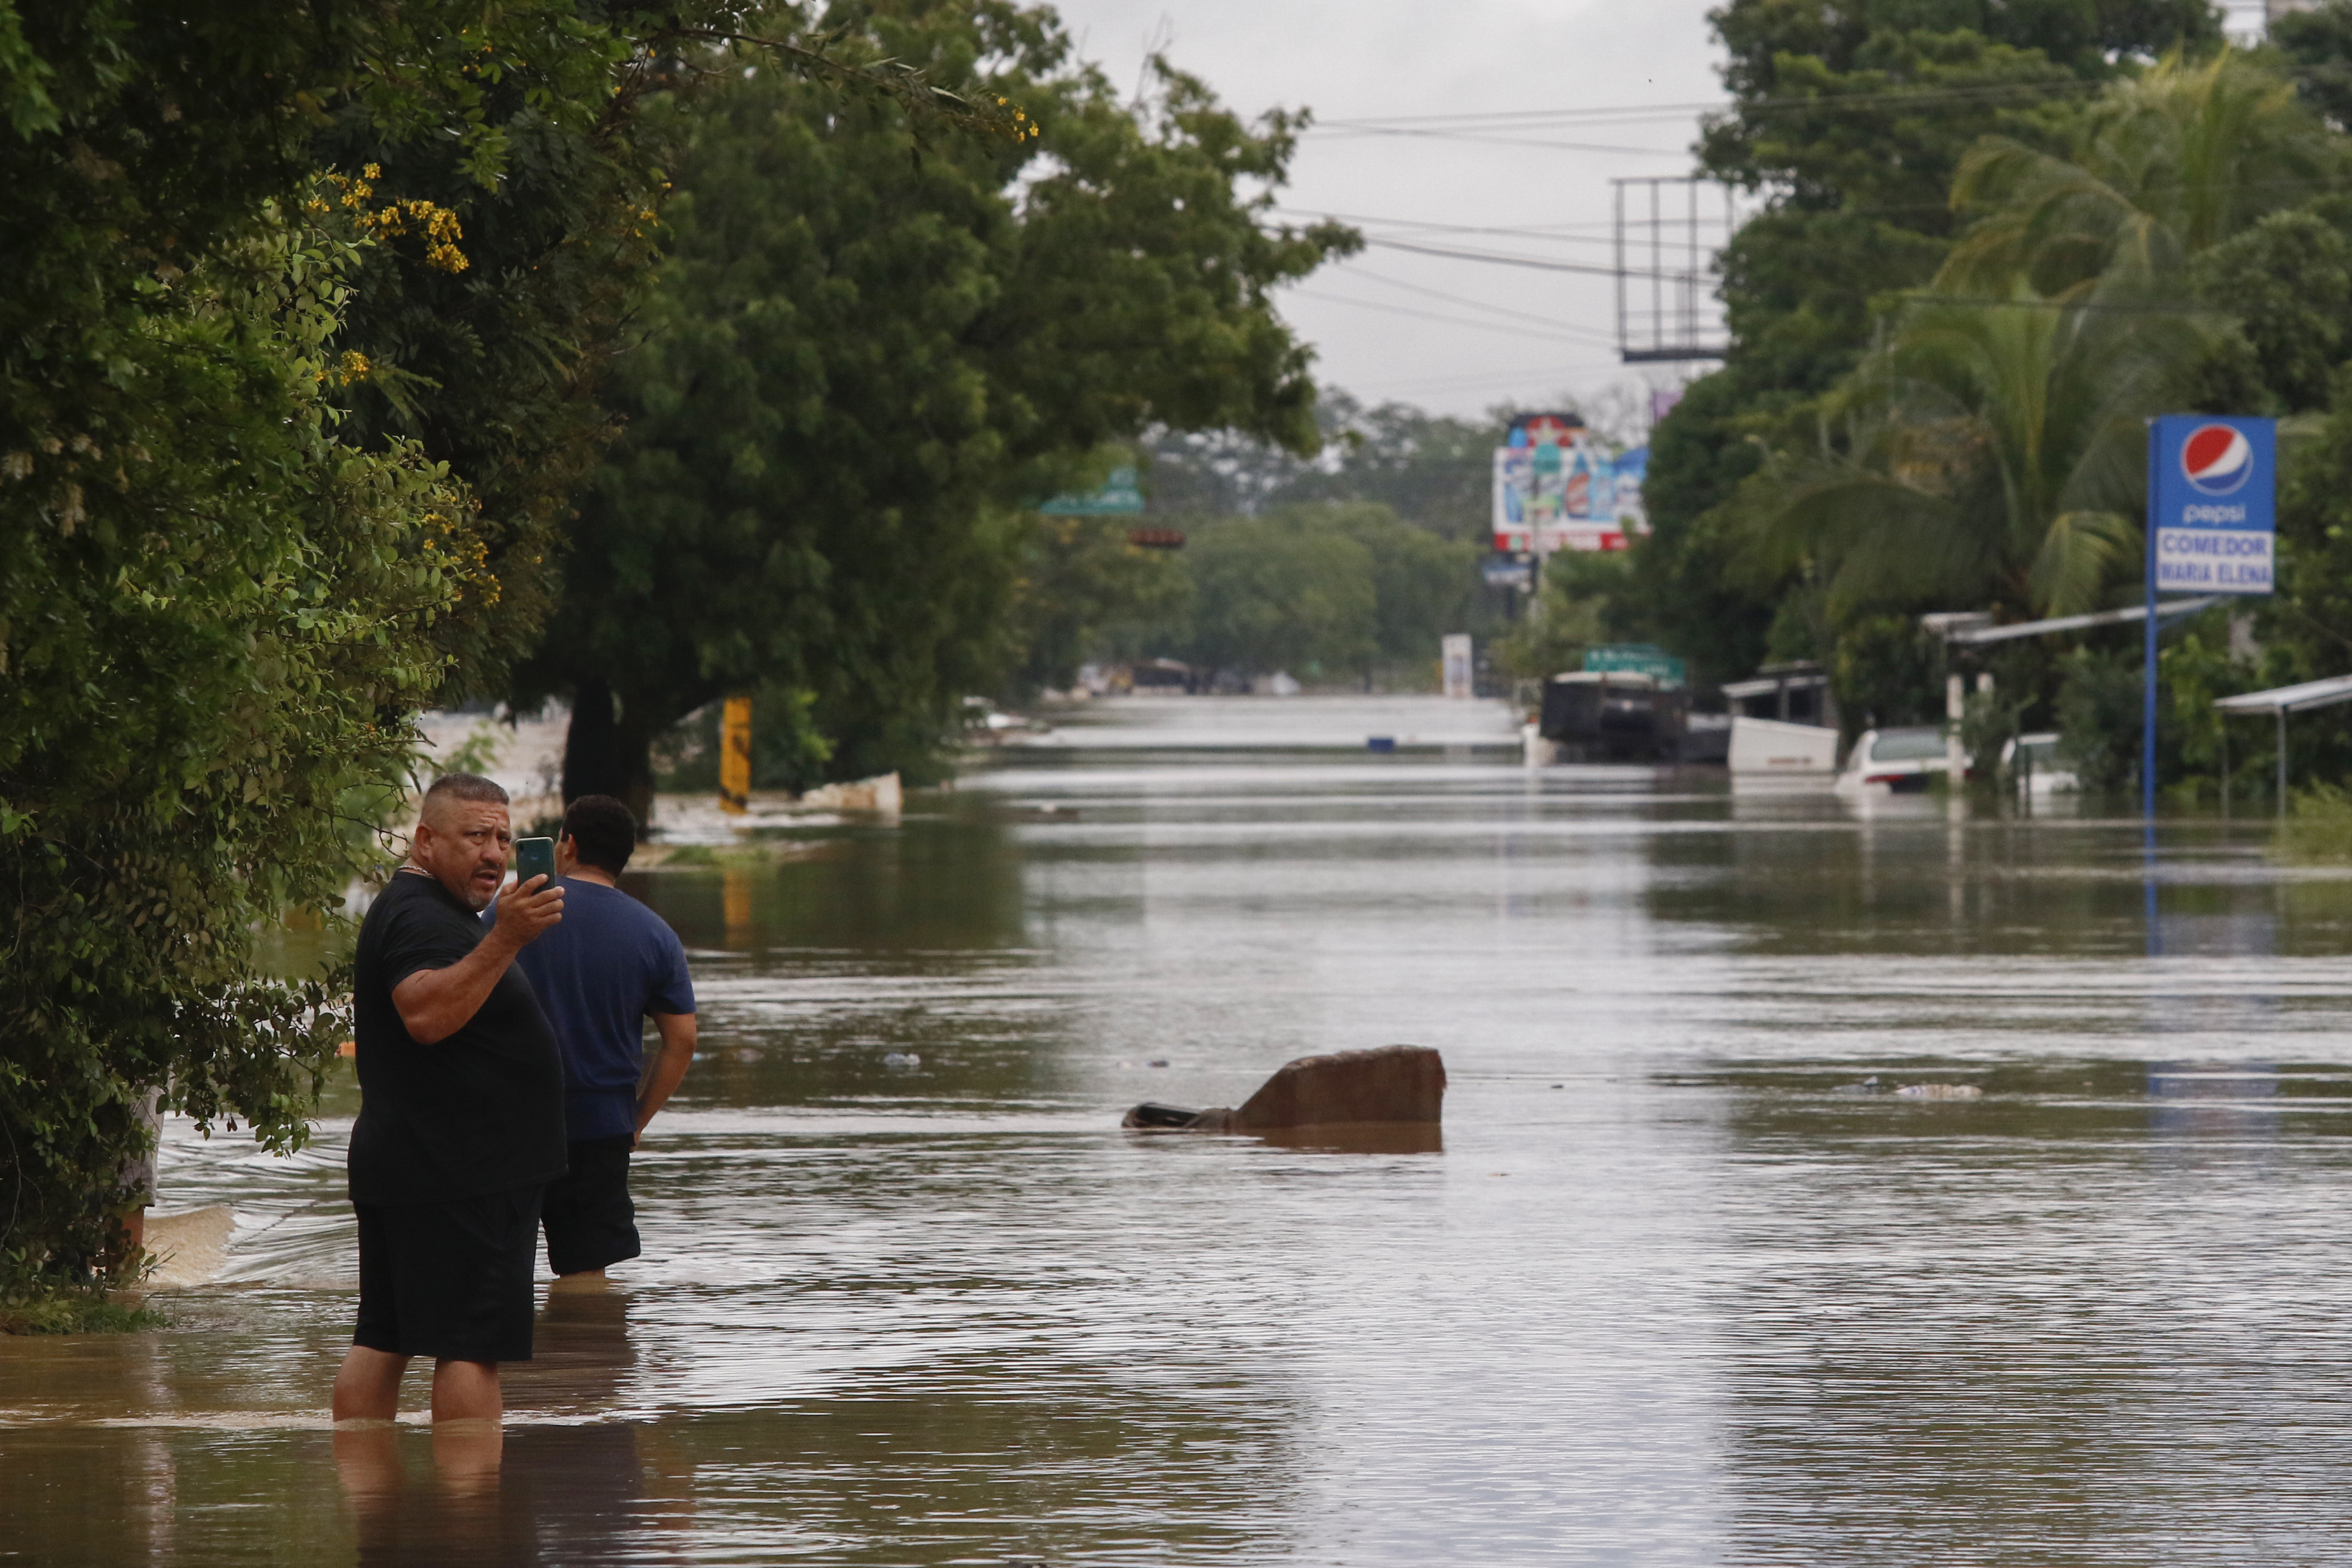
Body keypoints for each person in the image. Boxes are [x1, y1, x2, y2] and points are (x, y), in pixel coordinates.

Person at [332, 772, 568, 1430]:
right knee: (470, 1347)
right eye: (475, 836)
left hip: (419, 1161)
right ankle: (467, 1527)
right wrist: (506, 938)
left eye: (503, 836)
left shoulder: (425, 909)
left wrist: (496, 932)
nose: (494, 852)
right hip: (464, 1173)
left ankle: (373, 1505)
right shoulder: (424, 915)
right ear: (427, 840)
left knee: (384, 1337)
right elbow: (426, 1013)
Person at [507, 793, 696, 1286]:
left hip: (510, 1122)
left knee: (498, 1270)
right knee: (586, 1278)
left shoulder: (510, 919)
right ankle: (588, 1359)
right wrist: (636, 1118)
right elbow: (682, 1040)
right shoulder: (654, 934)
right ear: (625, 857)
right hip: (601, 1126)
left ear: (566, 845)